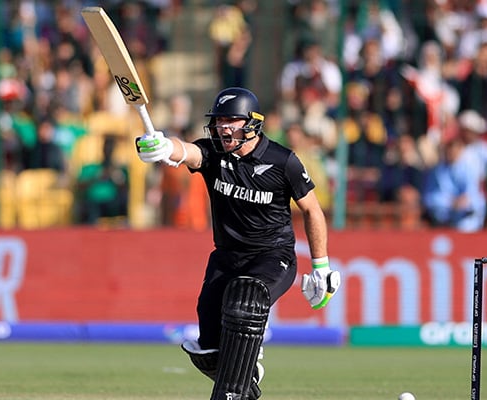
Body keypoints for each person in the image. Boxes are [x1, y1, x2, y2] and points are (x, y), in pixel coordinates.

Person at [135, 87, 341, 399]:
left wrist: (321, 267)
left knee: (246, 299)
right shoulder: (214, 154)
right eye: (219, 121)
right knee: (207, 349)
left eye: (231, 120)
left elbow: (312, 209)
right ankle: (246, 379)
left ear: (251, 123)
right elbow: (187, 151)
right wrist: (163, 146)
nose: (223, 128)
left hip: (273, 257)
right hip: (226, 257)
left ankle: (231, 392)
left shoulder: (283, 161)